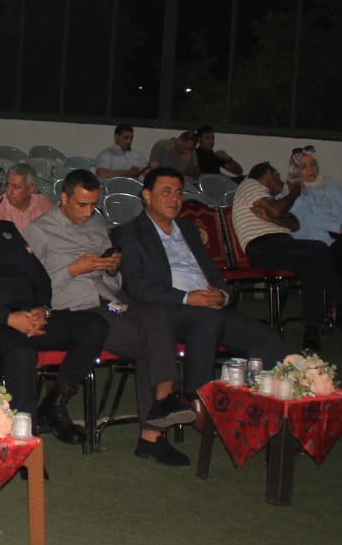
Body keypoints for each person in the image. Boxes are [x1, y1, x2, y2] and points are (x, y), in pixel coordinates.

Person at [23, 169, 197, 463]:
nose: (88, 212)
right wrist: (72, 270)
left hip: (110, 302)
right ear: (63, 198)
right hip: (75, 310)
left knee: (158, 315)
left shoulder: (98, 224)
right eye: (81, 205)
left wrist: (112, 269)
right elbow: (30, 286)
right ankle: (154, 431)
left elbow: (113, 283)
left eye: (93, 205)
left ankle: (163, 401)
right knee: (152, 344)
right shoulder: (39, 230)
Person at [0, 166, 110, 442]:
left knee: (94, 325)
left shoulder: (7, 231)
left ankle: (56, 402)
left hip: (30, 319)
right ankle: (24, 434)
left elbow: (40, 278)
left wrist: (42, 310)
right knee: (21, 351)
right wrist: (9, 319)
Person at [113, 167, 285, 415]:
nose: (174, 198)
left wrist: (222, 294)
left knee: (267, 337)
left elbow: (214, 273)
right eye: (166, 192)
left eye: (178, 192)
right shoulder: (129, 233)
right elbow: (136, 286)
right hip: (166, 311)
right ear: (147, 196)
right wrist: (187, 298)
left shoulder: (188, 229)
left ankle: (258, 407)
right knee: (207, 320)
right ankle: (196, 400)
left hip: (208, 306)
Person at [232, 162, 342, 351]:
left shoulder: (267, 197)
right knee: (319, 249)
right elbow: (278, 210)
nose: (280, 181)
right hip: (262, 246)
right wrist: (295, 192)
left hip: (282, 244)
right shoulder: (250, 185)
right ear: (267, 174)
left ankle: (311, 332)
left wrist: (272, 218)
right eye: (277, 175)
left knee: (312, 269)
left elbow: (294, 224)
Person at [287, 145, 342, 307]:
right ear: (295, 170)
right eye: (304, 167)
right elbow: (309, 219)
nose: (310, 170)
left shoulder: (329, 184)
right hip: (317, 239)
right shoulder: (293, 190)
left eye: (313, 165)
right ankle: (340, 307)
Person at [0, 163, 53, 232]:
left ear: (31, 189)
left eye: (16, 187)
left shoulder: (42, 204)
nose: (9, 192)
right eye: (8, 185)